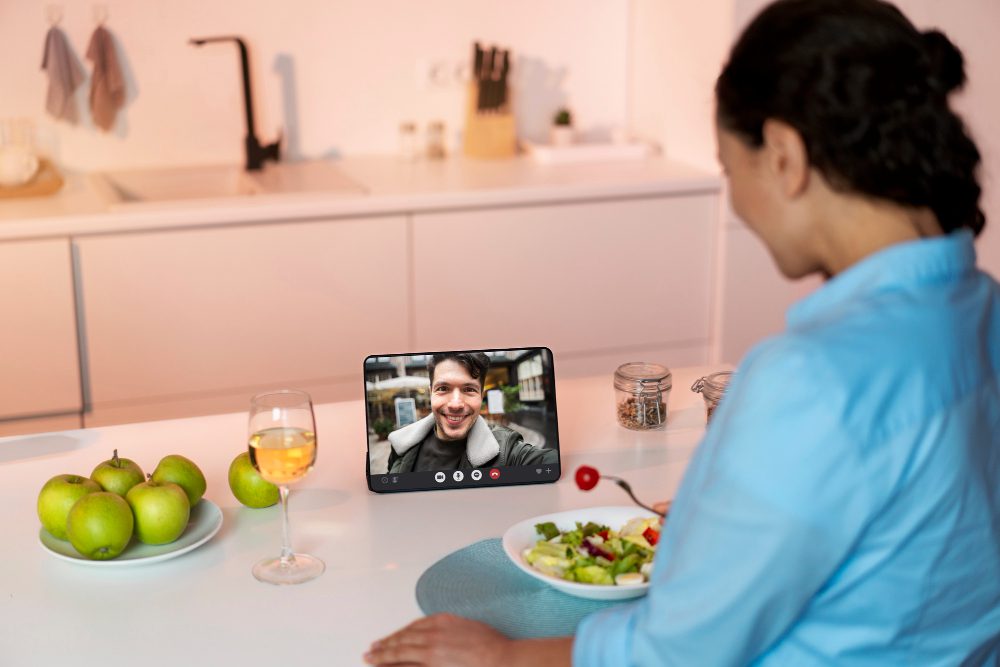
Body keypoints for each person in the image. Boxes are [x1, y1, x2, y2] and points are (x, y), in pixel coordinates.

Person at [364, 0, 1000, 664]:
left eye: (730, 171)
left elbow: (678, 651)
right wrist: (721, 518)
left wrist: (501, 657)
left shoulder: (812, 377)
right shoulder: (983, 307)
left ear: (783, 154)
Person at [386, 352, 557, 474]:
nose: (455, 404)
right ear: (431, 392)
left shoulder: (508, 452)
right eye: (443, 388)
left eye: (469, 389)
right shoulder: (401, 445)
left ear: (481, 396)